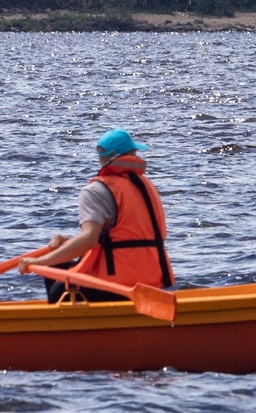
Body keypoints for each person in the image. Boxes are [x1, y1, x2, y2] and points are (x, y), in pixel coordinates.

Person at [28, 129, 174, 301]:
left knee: (58, 290)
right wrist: (68, 244)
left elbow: (89, 239)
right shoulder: (146, 186)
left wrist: (40, 261)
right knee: (56, 268)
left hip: (120, 282)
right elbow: (122, 236)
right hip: (153, 277)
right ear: (131, 154)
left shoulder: (96, 190)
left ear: (103, 156)